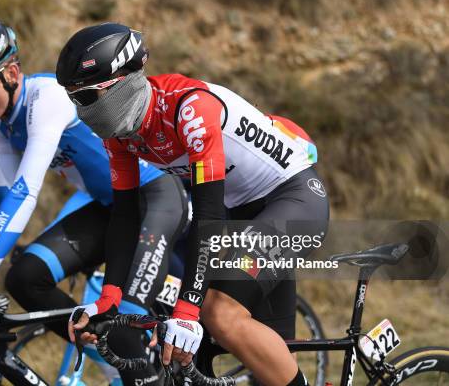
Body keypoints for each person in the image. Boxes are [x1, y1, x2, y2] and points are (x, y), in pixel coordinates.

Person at [56, 23, 330, 386]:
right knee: (260, 362)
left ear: (121, 82)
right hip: (246, 216)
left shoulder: (189, 108)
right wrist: (109, 297)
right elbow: (124, 217)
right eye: (74, 99)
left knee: (217, 313)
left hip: (294, 201)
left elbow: (208, 215)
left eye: (87, 98)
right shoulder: (122, 136)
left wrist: (188, 310)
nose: (82, 111)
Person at [0, 20, 188, 386]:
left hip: (156, 197)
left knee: (120, 318)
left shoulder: (47, 100)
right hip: (112, 207)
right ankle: (101, 344)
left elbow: (26, 192)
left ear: (11, 73)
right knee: (26, 277)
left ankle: (134, 362)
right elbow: (6, 204)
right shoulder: (3, 123)